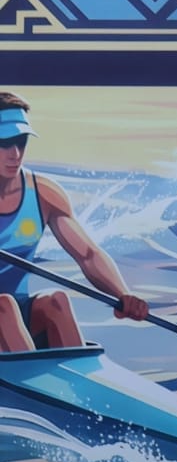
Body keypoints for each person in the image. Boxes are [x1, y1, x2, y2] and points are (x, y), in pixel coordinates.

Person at [0, 93, 150, 352]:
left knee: (56, 301)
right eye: (4, 143)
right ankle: (34, 374)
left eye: (21, 142)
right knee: (4, 307)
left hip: (17, 313)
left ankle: (77, 372)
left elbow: (88, 255)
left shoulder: (44, 193)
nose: (15, 154)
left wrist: (122, 294)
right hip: (4, 311)